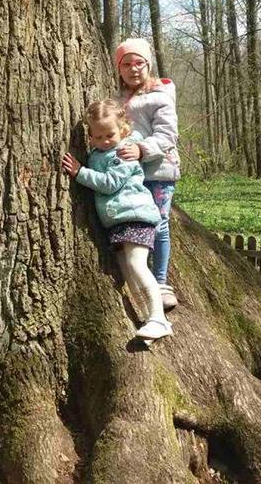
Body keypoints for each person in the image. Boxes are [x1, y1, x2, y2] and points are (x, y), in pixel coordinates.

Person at [62, 99, 173, 343]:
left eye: (110, 134)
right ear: (90, 137)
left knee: (136, 265)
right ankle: (149, 317)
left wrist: (80, 172)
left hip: (136, 216)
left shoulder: (124, 153)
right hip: (117, 222)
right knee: (127, 272)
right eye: (98, 136)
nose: (104, 141)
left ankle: (158, 318)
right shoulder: (99, 154)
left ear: (123, 130)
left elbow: (110, 183)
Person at [113, 38, 181, 310]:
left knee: (159, 223)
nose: (133, 69)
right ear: (119, 69)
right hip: (130, 175)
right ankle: (139, 277)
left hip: (159, 171)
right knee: (134, 222)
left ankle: (161, 282)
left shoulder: (160, 96)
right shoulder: (117, 99)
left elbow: (167, 135)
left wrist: (142, 150)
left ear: (148, 65)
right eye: (126, 64)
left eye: (139, 63)